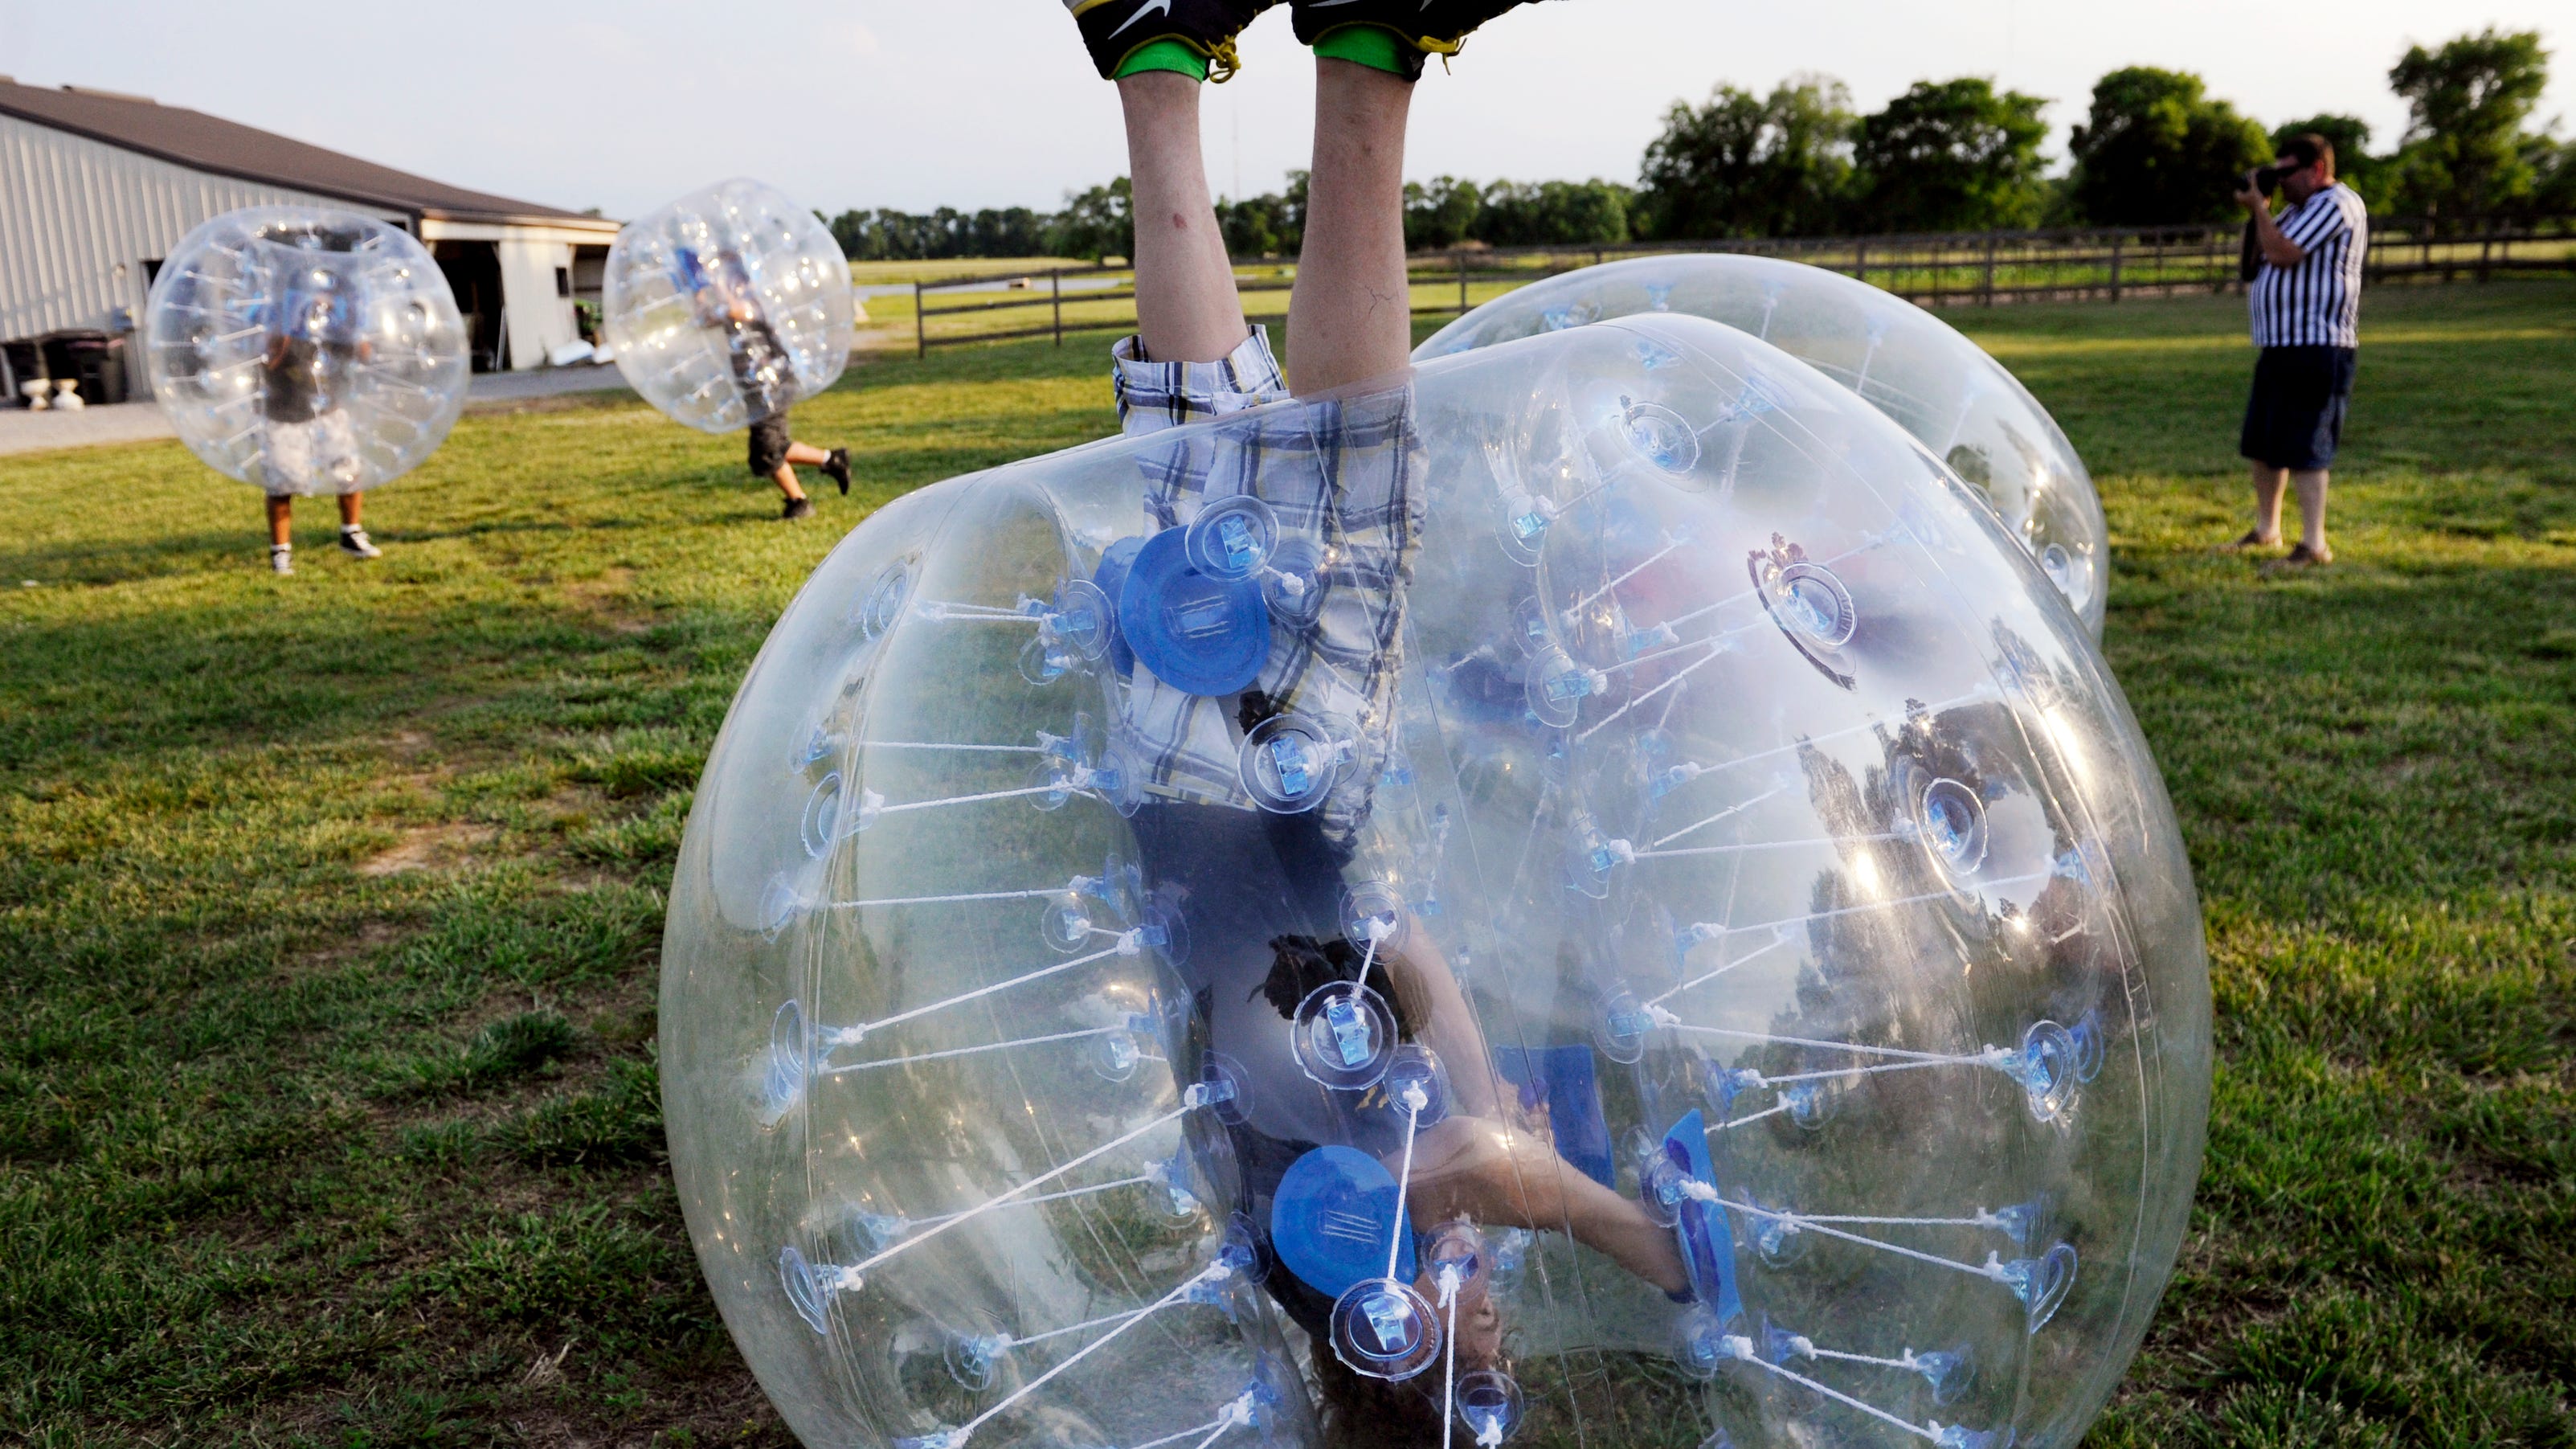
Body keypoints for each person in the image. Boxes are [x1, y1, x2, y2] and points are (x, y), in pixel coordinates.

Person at [1069, 5, 1689, 1443]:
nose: (1503, 1346)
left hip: (1284, 788)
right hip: (1181, 786)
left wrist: (1608, 1224)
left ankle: (1369, 44)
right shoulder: (1313, 1236)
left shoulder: (1377, 1224)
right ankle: (1153, 58)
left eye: (1484, 1371)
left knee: (1346, 479)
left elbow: (1437, 1047)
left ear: (1402, 1358)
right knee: (1201, 459)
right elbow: (1401, 955)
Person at [2228, 133, 2368, 568]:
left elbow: (2283, 254)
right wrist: (2260, 212)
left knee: (2307, 445)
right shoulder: (2294, 212)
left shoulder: (2336, 204)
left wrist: (2262, 211)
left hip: (2318, 345)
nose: (2281, 181)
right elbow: (2253, 262)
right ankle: (2268, 529)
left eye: (2288, 172)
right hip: (2281, 344)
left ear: (2318, 170)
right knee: (2266, 444)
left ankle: (2314, 543)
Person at [678, 246, 851, 520]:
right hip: (757, 386)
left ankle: (801, 500)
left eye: (725, 278)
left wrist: (713, 277)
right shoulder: (729, 308)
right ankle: (831, 462)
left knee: (767, 450)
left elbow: (735, 310)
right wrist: (698, 289)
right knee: (772, 447)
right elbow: (704, 319)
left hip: (773, 384)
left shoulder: (752, 303)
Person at [257, 268, 380, 575]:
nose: (318, 302)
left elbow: (364, 355)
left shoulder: (332, 326)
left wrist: (351, 324)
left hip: (328, 411)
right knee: (281, 484)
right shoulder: (278, 323)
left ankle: (351, 534)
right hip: (284, 414)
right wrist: (290, 323)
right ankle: (280, 553)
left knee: (349, 471)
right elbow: (269, 361)